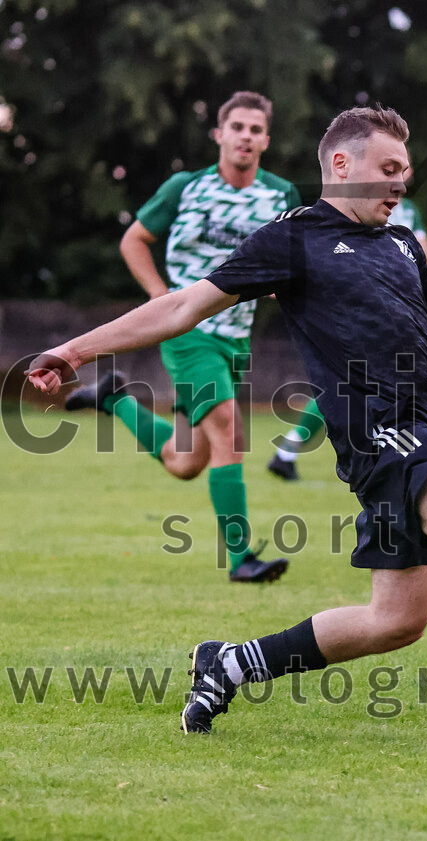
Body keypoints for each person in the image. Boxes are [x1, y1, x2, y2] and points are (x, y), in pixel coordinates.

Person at [27, 105, 427, 746]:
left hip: (424, 430)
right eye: (388, 168)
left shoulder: (400, 244)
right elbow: (181, 307)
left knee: (396, 620)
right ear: (342, 163)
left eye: (405, 171)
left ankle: (230, 665)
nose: (400, 184)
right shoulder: (293, 239)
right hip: (380, 435)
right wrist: (74, 350)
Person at [62, 91, 301, 583]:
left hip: (236, 338)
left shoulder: (282, 196)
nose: (246, 137)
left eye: (256, 130)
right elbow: (134, 239)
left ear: (266, 141)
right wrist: (160, 298)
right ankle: (241, 560)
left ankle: (114, 400)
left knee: (185, 461)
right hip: (189, 334)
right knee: (229, 430)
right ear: (219, 134)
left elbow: (296, 261)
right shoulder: (185, 187)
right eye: (238, 127)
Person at [265, 193, 427, 482]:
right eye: (390, 170)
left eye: (403, 171)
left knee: (351, 387)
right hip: (362, 316)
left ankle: (289, 452)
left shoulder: (408, 212)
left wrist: (409, 260)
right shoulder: (351, 209)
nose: (399, 178)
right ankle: (402, 458)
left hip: (395, 314)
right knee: (354, 387)